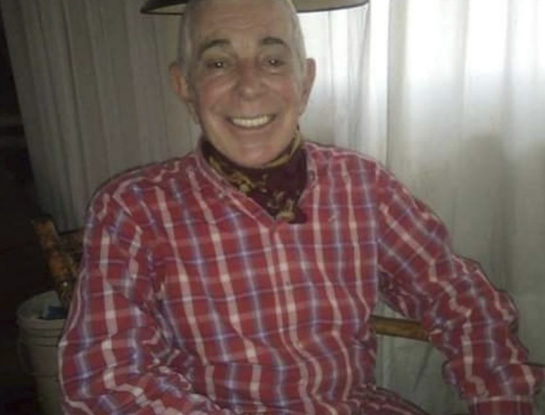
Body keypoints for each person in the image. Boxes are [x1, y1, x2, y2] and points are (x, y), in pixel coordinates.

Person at [58, 0, 544, 413]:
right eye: (218, 63)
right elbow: (106, 377)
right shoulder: (134, 209)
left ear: (305, 81)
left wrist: (500, 398)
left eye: (273, 60)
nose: (249, 86)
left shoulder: (363, 185)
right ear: (184, 85)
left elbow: (459, 300)